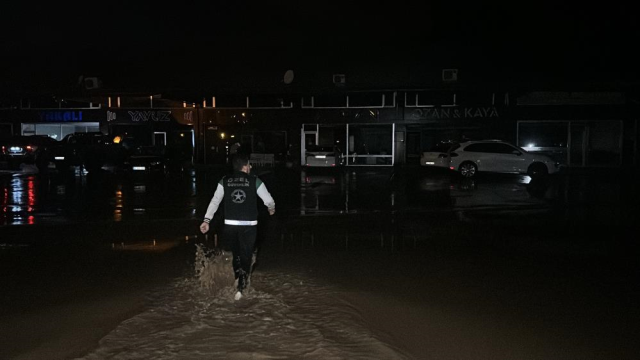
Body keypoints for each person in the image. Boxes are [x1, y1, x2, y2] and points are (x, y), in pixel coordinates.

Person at [199, 153, 275, 300]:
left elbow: (215, 201)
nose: (251, 167)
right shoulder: (255, 180)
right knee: (246, 255)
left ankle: (237, 278)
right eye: (249, 165)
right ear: (245, 167)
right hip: (249, 225)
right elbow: (269, 200)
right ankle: (241, 285)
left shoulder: (224, 181)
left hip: (230, 225)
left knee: (237, 254)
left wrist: (206, 220)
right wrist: (271, 208)